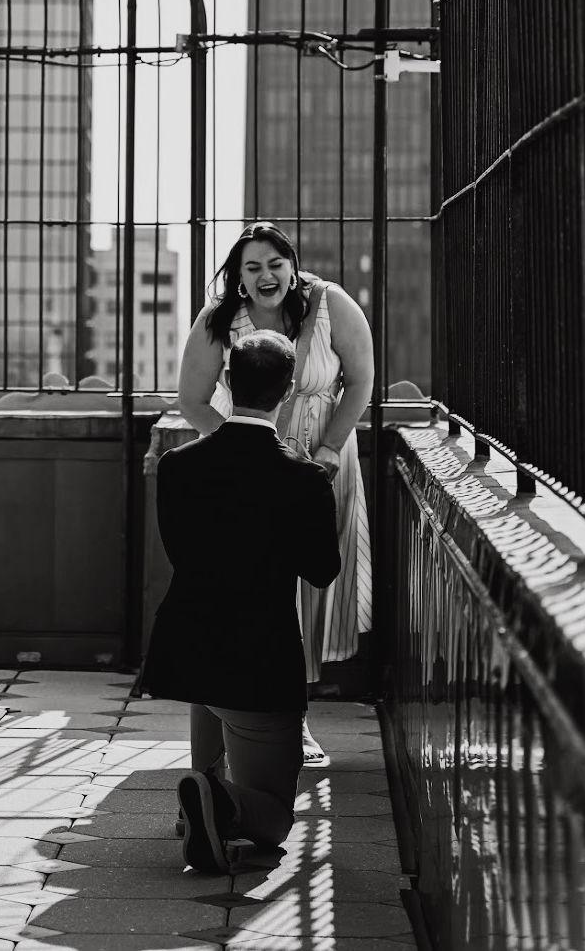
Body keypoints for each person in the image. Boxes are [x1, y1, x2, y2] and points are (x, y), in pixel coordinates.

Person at [140, 332, 340, 872]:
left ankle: (205, 802)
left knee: (209, 703)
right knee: (274, 821)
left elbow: (179, 550)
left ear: (227, 382)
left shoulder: (178, 466)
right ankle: (218, 801)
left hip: (187, 646)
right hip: (259, 657)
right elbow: (323, 571)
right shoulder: (304, 477)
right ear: (290, 390)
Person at [177, 220, 375, 766]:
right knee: (259, 587)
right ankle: (265, 718)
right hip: (249, 475)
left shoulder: (331, 305)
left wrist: (330, 448)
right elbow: (192, 399)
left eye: (275, 264)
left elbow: (361, 380)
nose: (266, 276)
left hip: (323, 463)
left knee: (310, 588)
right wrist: (240, 450)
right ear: (238, 277)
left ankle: (293, 717)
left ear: (292, 266)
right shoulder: (219, 319)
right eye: (252, 267)